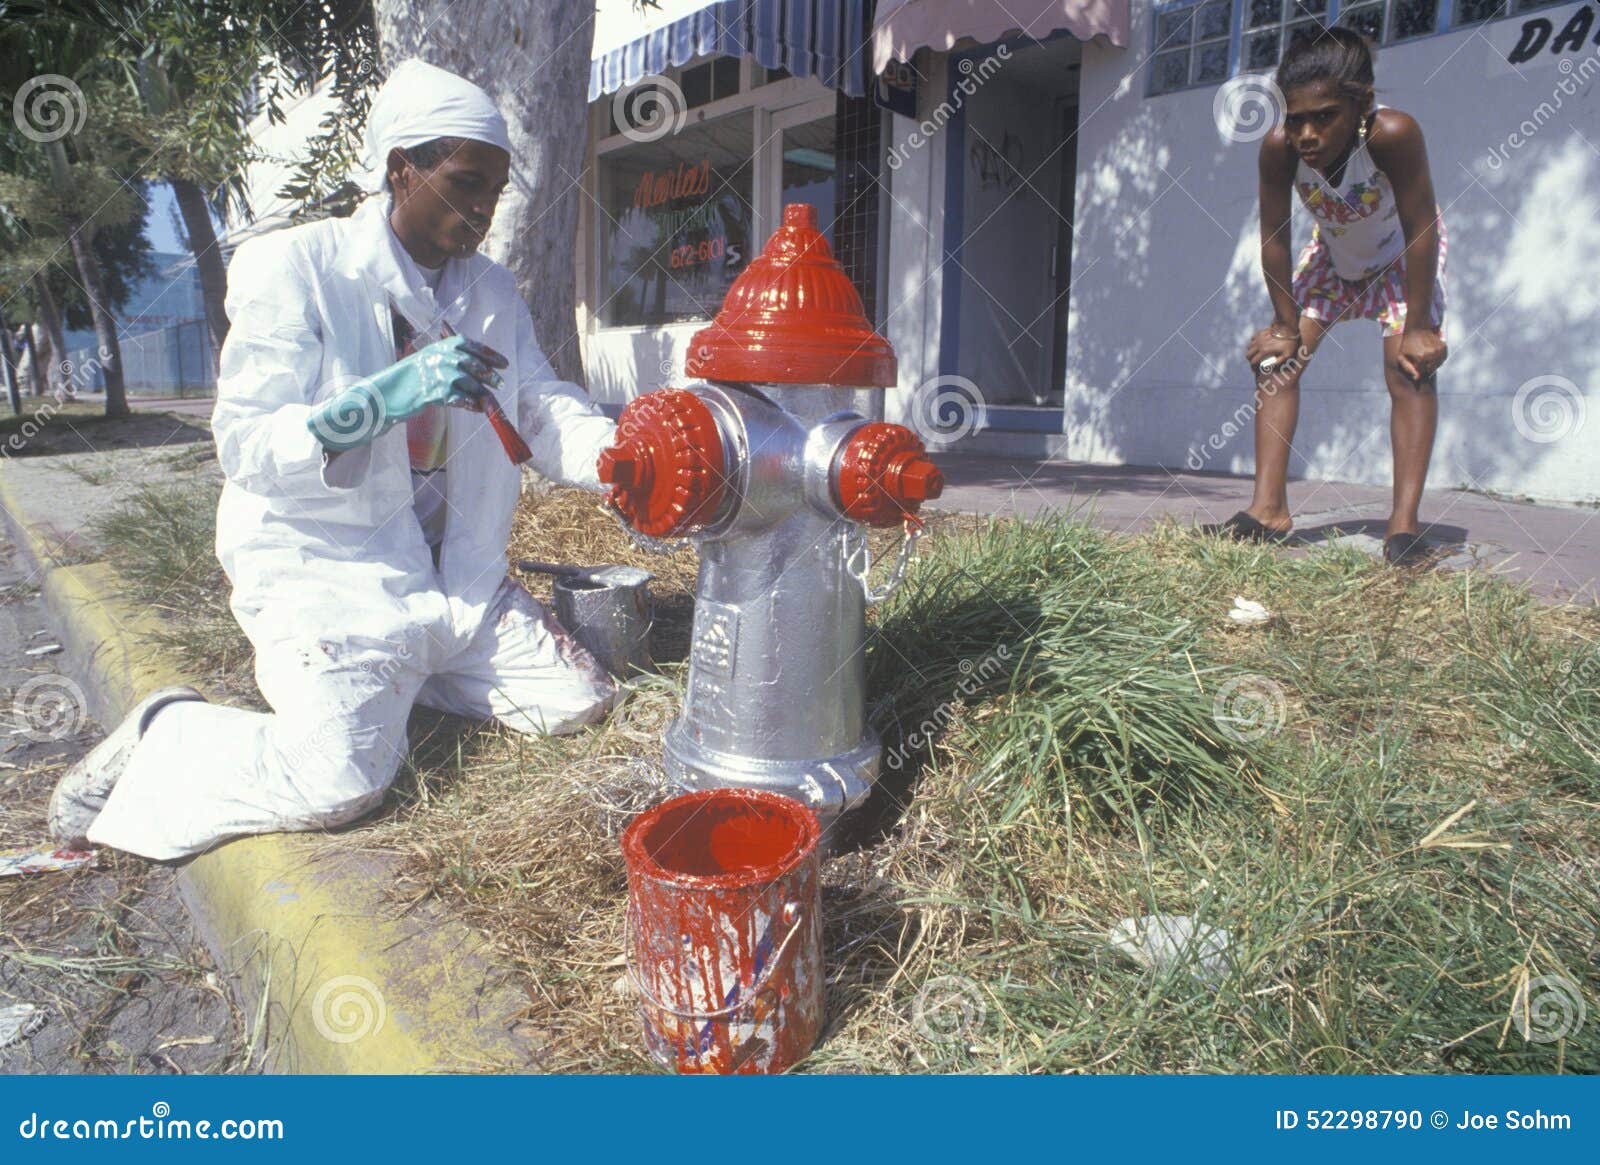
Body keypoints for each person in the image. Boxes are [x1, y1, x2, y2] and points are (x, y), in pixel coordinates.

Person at [48, 60, 620, 860]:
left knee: (574, 700)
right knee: (341, 780)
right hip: (331, 574)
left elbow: (536, 403)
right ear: (401, 170)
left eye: (495, 188)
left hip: (455, 580)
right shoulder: (299, 269)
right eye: (465, 182)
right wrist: (383, 398)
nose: (484, 209)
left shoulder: (489, 288)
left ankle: (403, 676)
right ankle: (164, 733)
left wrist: (616, 454)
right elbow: (247, 442)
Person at [1219, 26, 1447, 566]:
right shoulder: (1279, 150)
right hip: (1334, 260)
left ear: (1361, 104)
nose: (1307, 134)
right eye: (1296, 118)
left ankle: (1403, 528)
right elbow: (1274, 238)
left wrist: (1418, 326)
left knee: (1409, 370)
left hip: (1402, 259)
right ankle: (1267, 512)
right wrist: (1283, 322)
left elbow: (1421, 228)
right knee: (1277, 362)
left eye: (1324, 116)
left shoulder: (1393, 133)